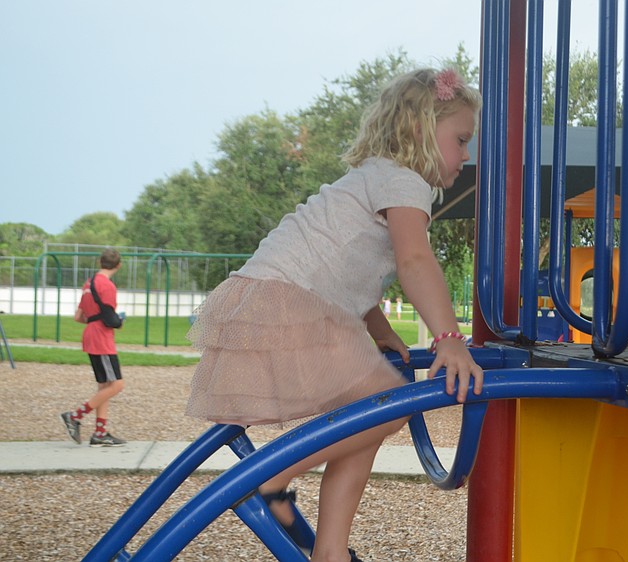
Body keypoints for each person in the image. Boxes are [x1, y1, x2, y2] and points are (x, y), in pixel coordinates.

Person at [185, 68, 484, 562]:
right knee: (389, 404)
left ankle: (330, 551)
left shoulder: (374, 177)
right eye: (461, 139)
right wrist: (448, 337)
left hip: (279, 295)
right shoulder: (406, 181)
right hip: (289, 301)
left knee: (363, 418)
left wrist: (380, 326)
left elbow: (342, 265)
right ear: (418, 130)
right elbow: (414, 259)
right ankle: (270, 480)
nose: (466, 155)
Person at [60, 248, 127, 447]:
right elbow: (110, 317)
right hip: (102, 337)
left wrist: (96, 319)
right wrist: (117, 321)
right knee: (117, 384)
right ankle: (75, 416)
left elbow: (79, 317)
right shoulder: (107, 286)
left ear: (100, 263)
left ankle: (100, 433)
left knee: (104, 386)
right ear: (118, 265)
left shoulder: (88, 284)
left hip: (90, 333)